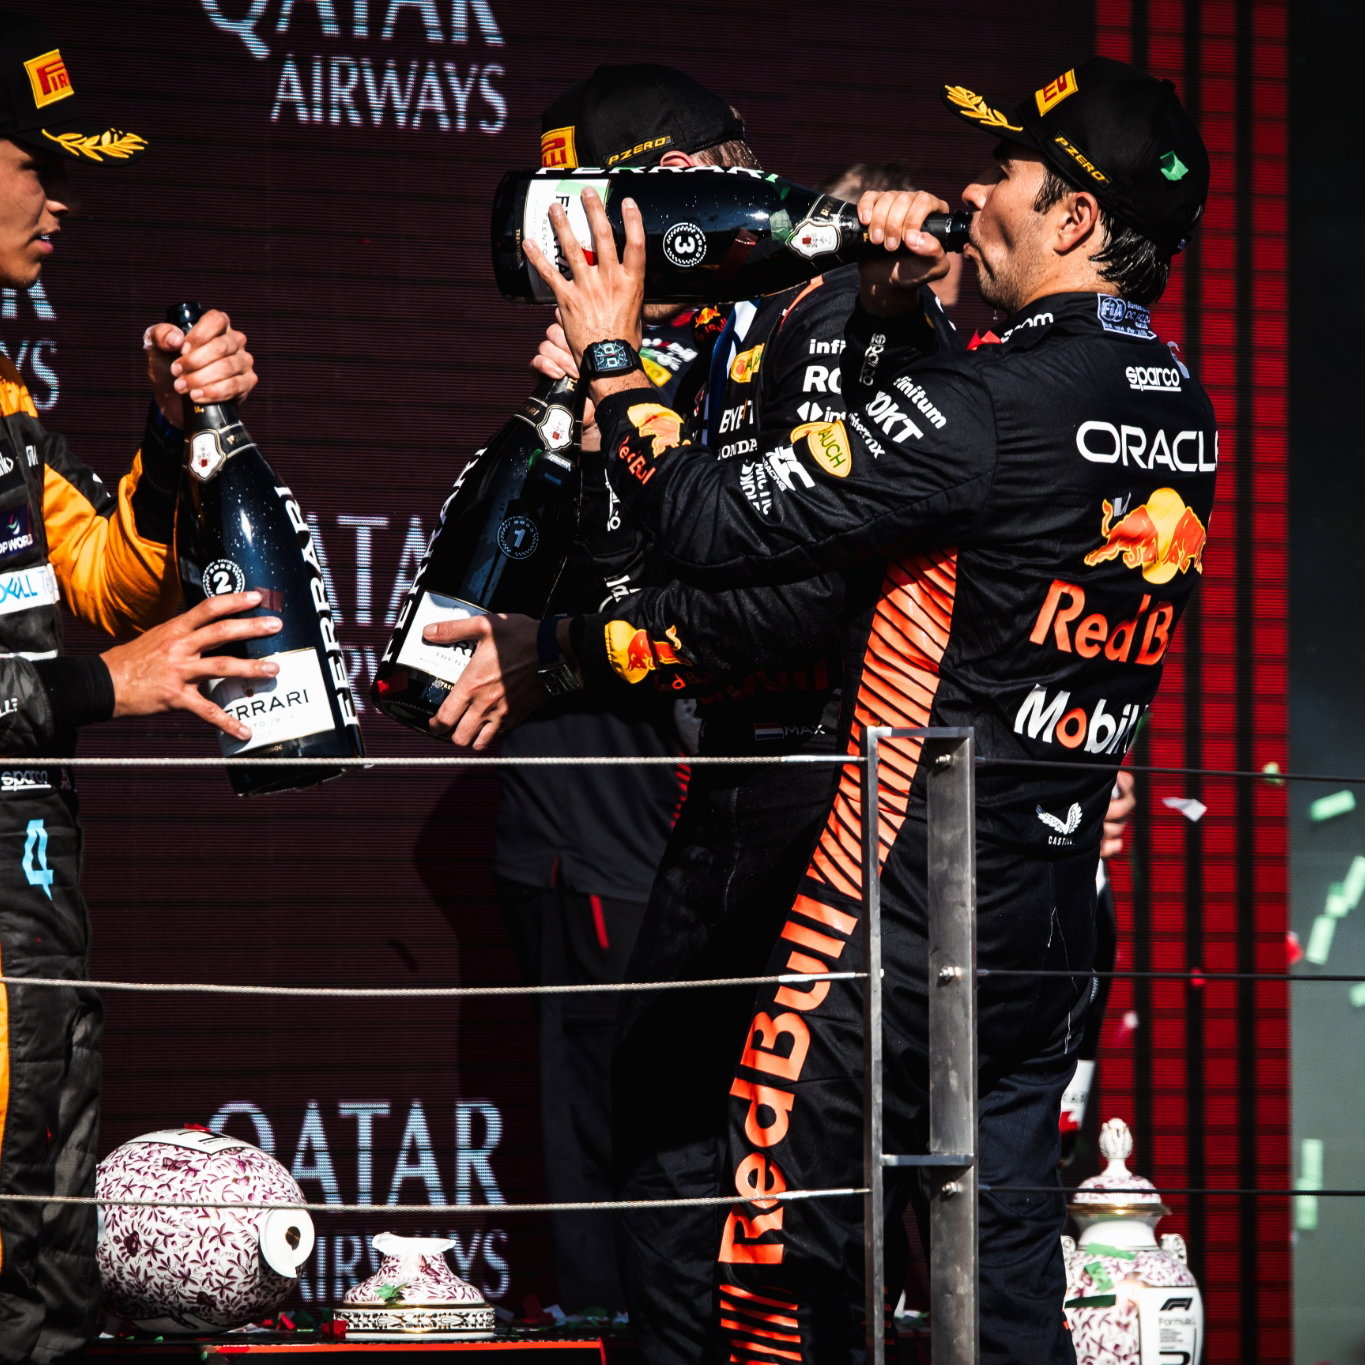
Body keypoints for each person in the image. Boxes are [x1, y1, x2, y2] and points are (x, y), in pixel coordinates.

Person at [525, 55, 1214, 1364]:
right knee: (998, 1278)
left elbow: (706, 516)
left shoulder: (994, 401)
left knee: (778, 1259)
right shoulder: (1175, 399)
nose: (972, 188)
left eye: (1005, 168)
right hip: (1053, 916)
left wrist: (613, 345)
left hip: (885, 913)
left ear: (1071, 217)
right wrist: (898, 314)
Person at [424, 64, 881, 1360]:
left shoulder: (789, 323)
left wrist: (626, 379)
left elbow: (770, 592)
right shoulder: (598, 376)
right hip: (616, 839)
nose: (579, 256)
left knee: (769, 1174)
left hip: (757, 814)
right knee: (636, 1184)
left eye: (601, 213)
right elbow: (444, 633)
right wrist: (561, 410)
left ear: (683, 189)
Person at [0, 13, 280, 1361]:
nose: (60, 201)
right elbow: (100, 654)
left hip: (33, 923)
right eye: (36, 164)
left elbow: (109, 580)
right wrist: (90, 692)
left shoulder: (0, 401)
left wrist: (168, 436)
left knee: (44, 1292)